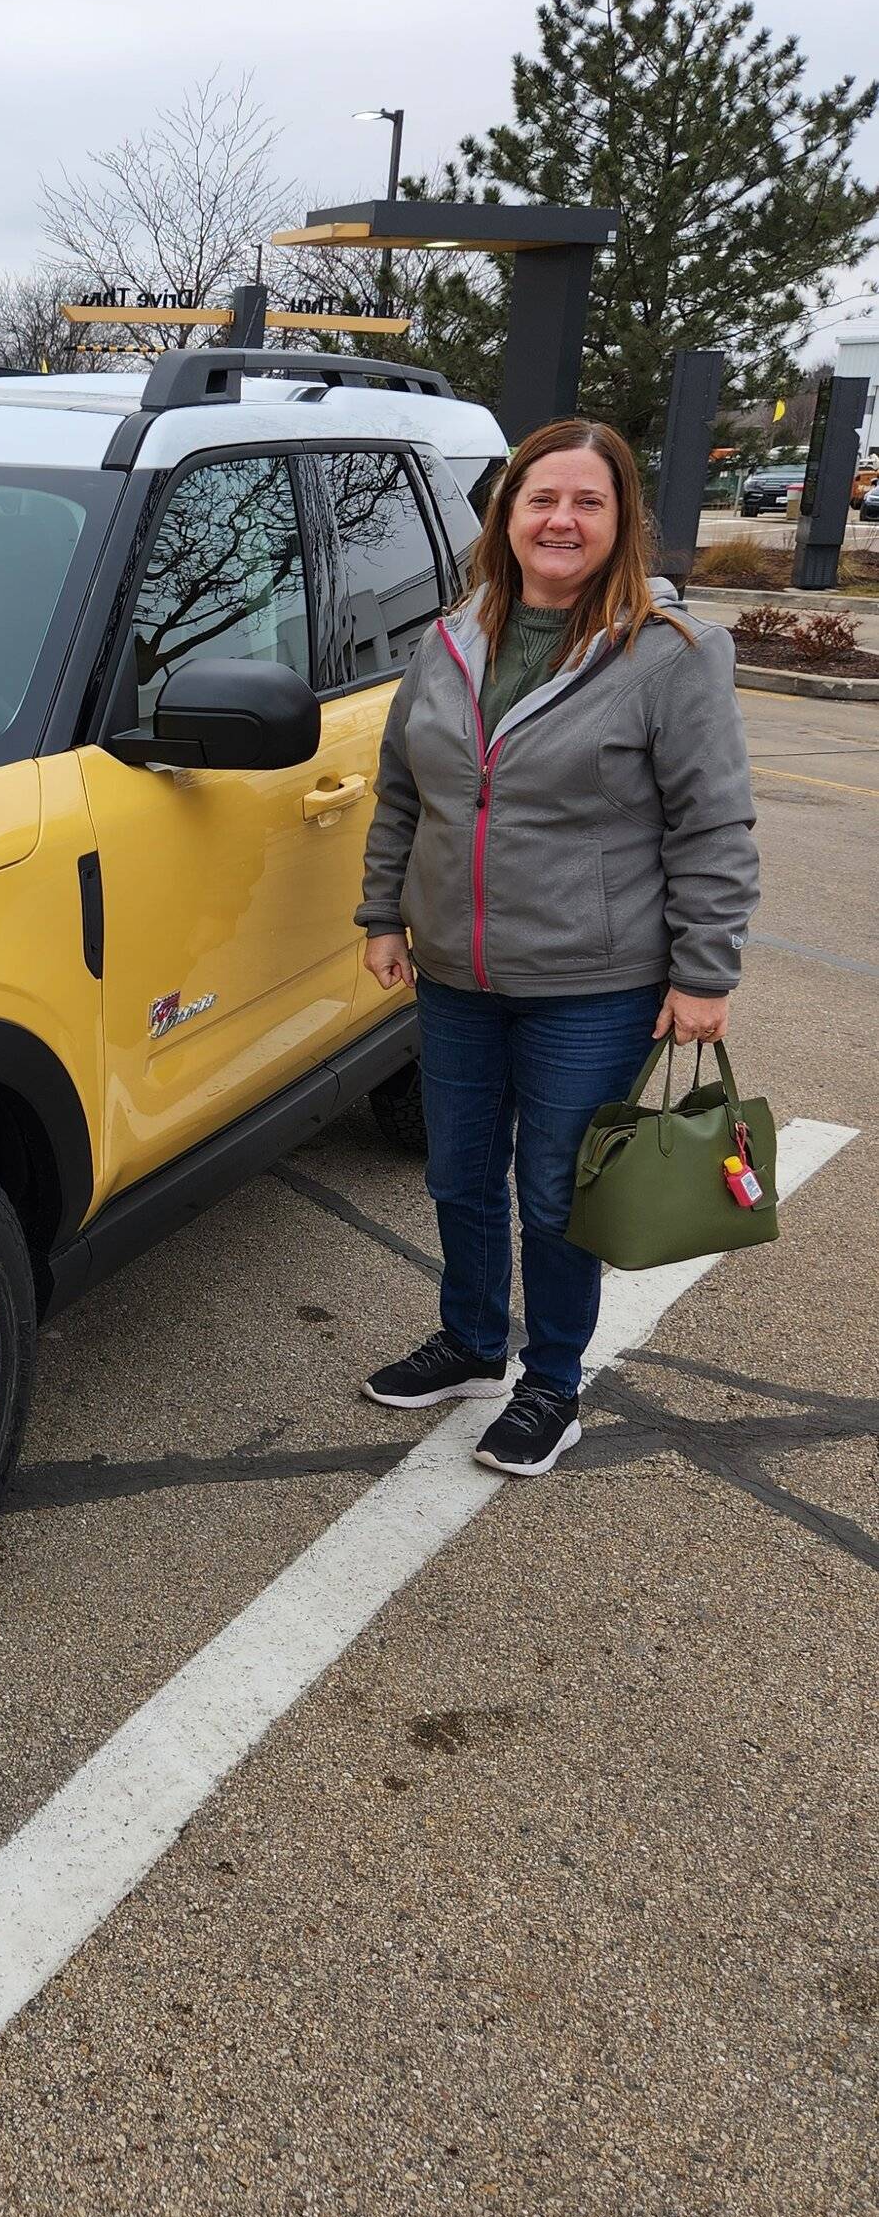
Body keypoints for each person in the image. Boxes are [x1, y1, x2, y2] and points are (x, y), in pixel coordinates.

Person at [354, 417, 758, 1475]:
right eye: (542, 498)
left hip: (595, 983)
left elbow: (711, 823)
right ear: (509, 514)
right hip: (455, 973)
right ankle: (473, 1343)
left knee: (555, 1194)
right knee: (458, 1176)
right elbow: (406, 792)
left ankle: (551, 1385)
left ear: (621, 520)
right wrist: (381, 915)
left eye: (588, 501)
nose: (561, 519)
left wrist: (704, 973)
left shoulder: (670, 654)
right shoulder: (452, 639)